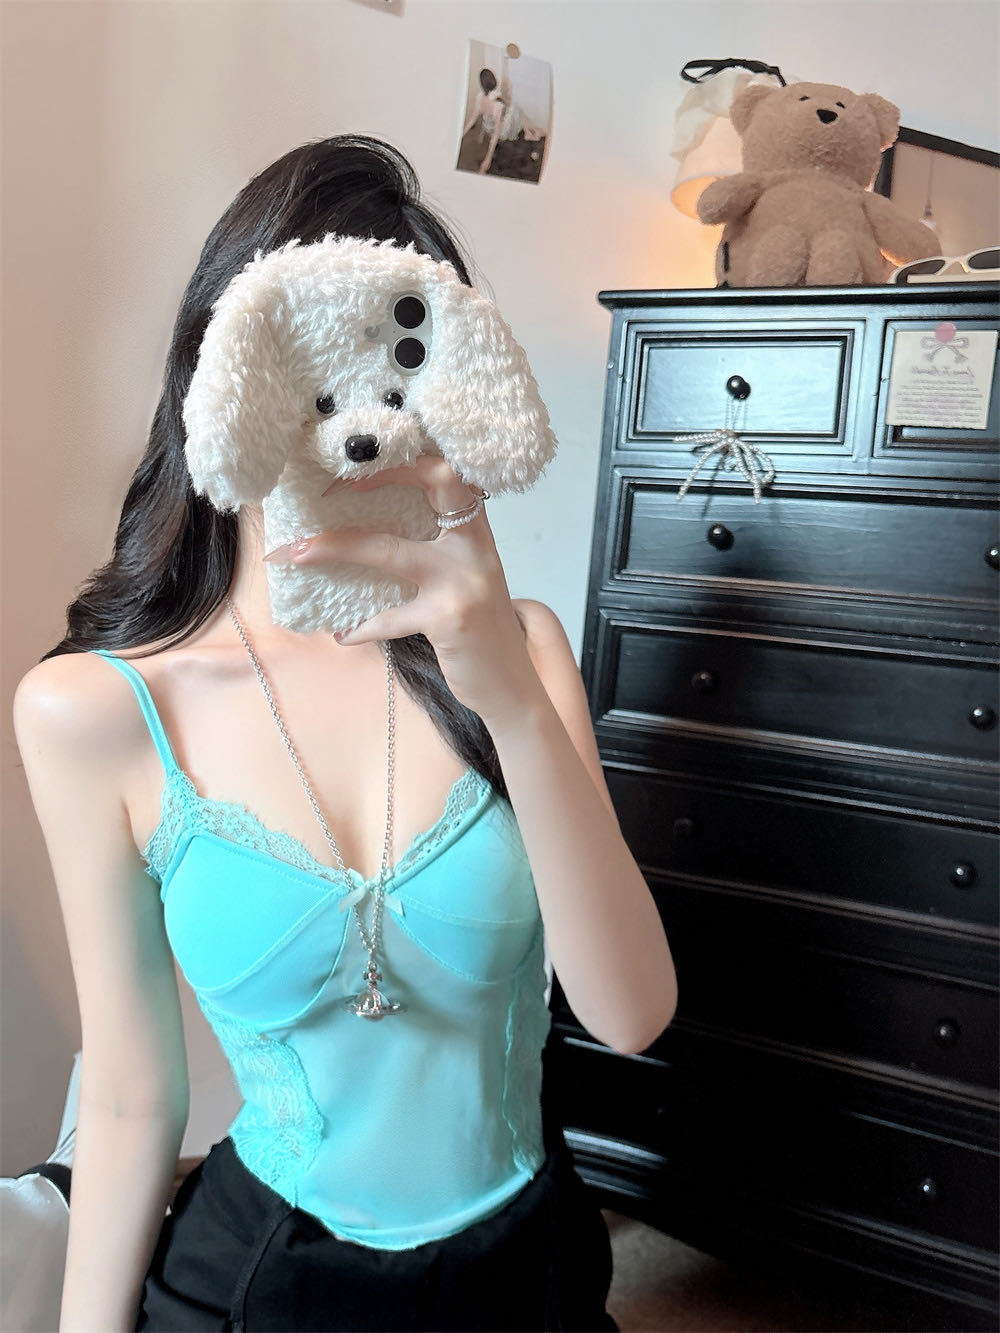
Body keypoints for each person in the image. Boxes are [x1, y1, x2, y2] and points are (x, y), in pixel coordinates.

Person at [13, 134, 677, 1332]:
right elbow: (126, 1099)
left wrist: (508, 692)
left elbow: (629, 1013)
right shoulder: (97, 710)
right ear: (223, 378)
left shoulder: (520, 651)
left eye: (400, 358)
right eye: (310, 359)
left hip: (527, 1270)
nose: (355, 417)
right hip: (266, 1278)